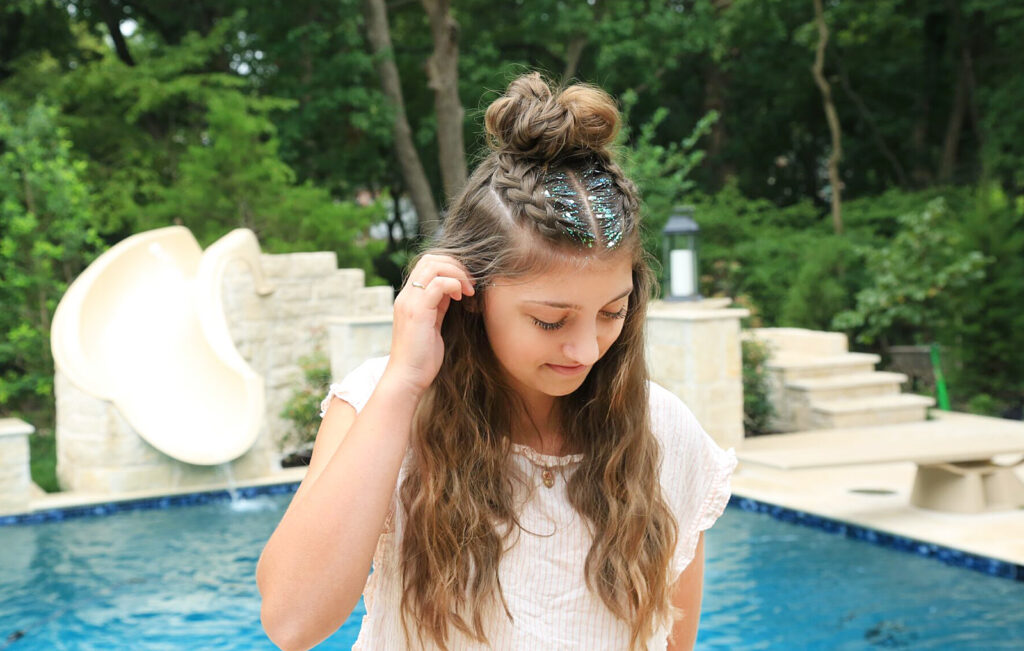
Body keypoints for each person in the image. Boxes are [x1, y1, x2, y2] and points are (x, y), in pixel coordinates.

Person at [256, 72, 736, 651]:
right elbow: (292, 621)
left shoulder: (666, 433)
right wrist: (404, 383)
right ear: (472, 295)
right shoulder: (379, 405)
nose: (585, 350)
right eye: (550, 321)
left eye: (612, 312)